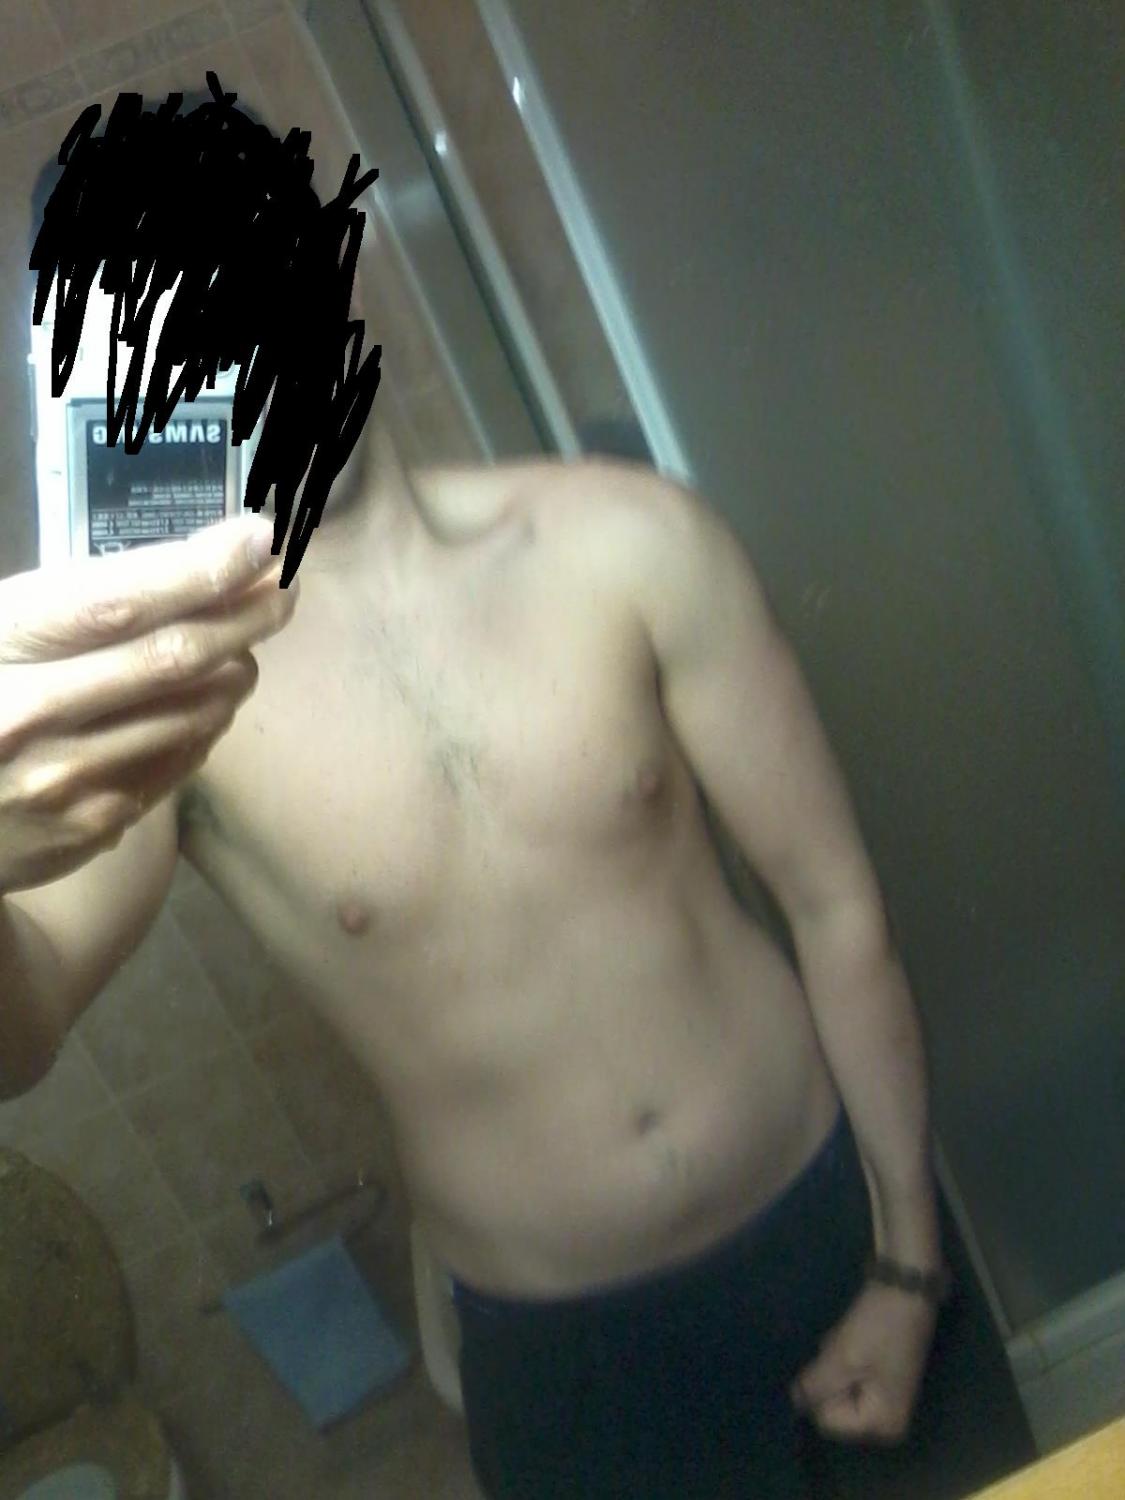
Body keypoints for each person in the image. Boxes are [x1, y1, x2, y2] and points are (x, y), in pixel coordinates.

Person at [1, 113, 1036, 1500]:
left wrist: (908, 1263)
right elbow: (26, 1024)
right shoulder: (175, 699)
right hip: (572, 1359)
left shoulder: (625, 541)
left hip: (832, 1224)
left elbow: (833, 905)